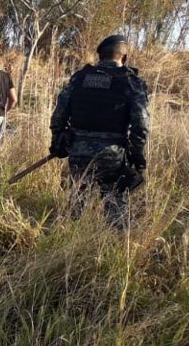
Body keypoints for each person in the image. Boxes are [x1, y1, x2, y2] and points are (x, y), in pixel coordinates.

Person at [49, 35, 149, 227]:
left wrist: (58, 143)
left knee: (76, 208)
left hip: (78, 152)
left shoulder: (79, 79)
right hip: (113, 156)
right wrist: (137, 157)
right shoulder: (131, 82)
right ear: (124, 58)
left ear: (99, 56)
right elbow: (141, 124)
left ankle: (69, 246)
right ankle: (114, 250)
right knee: (115, 210)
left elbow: (58, 115)